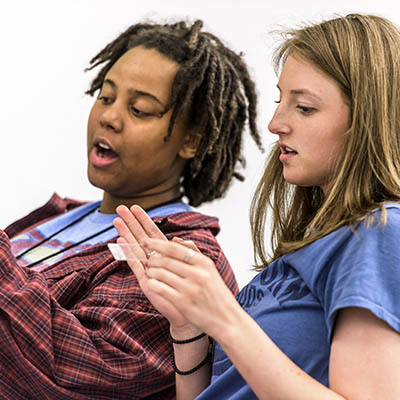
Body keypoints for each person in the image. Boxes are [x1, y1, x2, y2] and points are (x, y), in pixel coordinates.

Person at [114, 13, 400, 400]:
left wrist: (223, 316)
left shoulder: (382, 233)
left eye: (305, 107)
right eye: (281, 101)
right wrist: (189, 330)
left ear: (366, 118)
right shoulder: (308, 252)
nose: (275, 123)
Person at [0, 19, 263, 399]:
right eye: (106, 97)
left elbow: (73, 371)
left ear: (191, 140)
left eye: (139, 110)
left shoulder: (184, 258)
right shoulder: (59, 217)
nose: (109, 117)